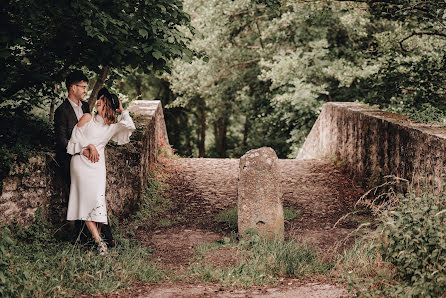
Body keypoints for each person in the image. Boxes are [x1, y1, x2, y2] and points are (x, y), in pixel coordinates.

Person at [66, 88, 135, 254]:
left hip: (97, 167)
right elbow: (71, 144)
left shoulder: (111, 126)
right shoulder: (87, 117)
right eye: (99, 99)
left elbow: (130, 126)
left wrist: (122, 109)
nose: (98, 102)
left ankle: (96, 240)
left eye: (103, 101)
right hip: (81, 163)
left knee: (97, 202)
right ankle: (99, 243)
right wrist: (88, 146)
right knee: (85, 202)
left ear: (109, 106)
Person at [54, 71, 114, 246]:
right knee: (81, 199)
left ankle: (100, 238)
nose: (85, 90)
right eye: (83, 87)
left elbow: (93, 131)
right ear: (73, 87)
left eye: (86, 87)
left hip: (92, 164)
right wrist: (82, 149)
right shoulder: (61, 112)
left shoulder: (86, 106)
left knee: (94, 198)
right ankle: (89, 239)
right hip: (73, 161)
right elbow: (62, 141)